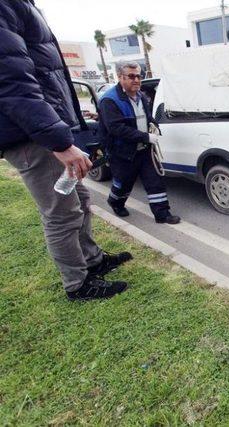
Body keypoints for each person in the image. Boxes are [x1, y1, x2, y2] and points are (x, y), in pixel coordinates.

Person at [0, 0, 131, 301]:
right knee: (60, 212)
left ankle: (93, 260)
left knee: (81, 199)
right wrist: (58, 141)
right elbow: (12, 82)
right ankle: (77, 283)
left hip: (42, 127)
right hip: (30, 134)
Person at [99, 62, 180, 224]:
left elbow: (147, 117)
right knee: (123, 184)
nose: (136, 79)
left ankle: (162, 214)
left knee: (155, 182)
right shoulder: (109, 100)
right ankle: (115, 202)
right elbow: (116, 128)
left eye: (138, 76)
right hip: (122, 153)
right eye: (131, 76)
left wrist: (153, 125)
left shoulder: (141, 96)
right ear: (120, 77)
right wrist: (145, 137)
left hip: (144, 150)